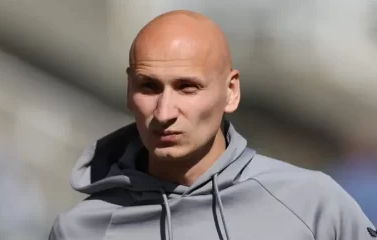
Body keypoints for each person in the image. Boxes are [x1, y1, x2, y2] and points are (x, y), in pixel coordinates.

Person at [49, 10, 376, 240]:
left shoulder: (313, 205)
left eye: (187, 87)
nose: (164, 112)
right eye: (148, 86)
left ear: (231, 92)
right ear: (129, 89)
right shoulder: (81, 229)